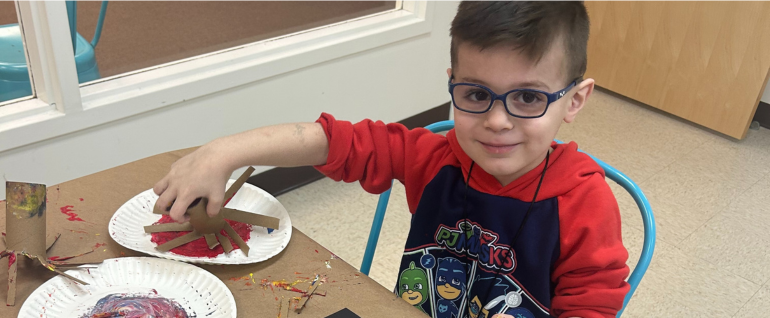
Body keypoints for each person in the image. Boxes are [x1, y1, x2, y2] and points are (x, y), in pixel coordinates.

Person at [153, 2, 629, 317]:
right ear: (451, 82)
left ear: (574, 101)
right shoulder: (434, 158)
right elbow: (333, 141)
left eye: (528, 97)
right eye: (475, 94)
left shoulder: (584, 203)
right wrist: (222, 153)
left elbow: (593, 305)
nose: (498, 121)